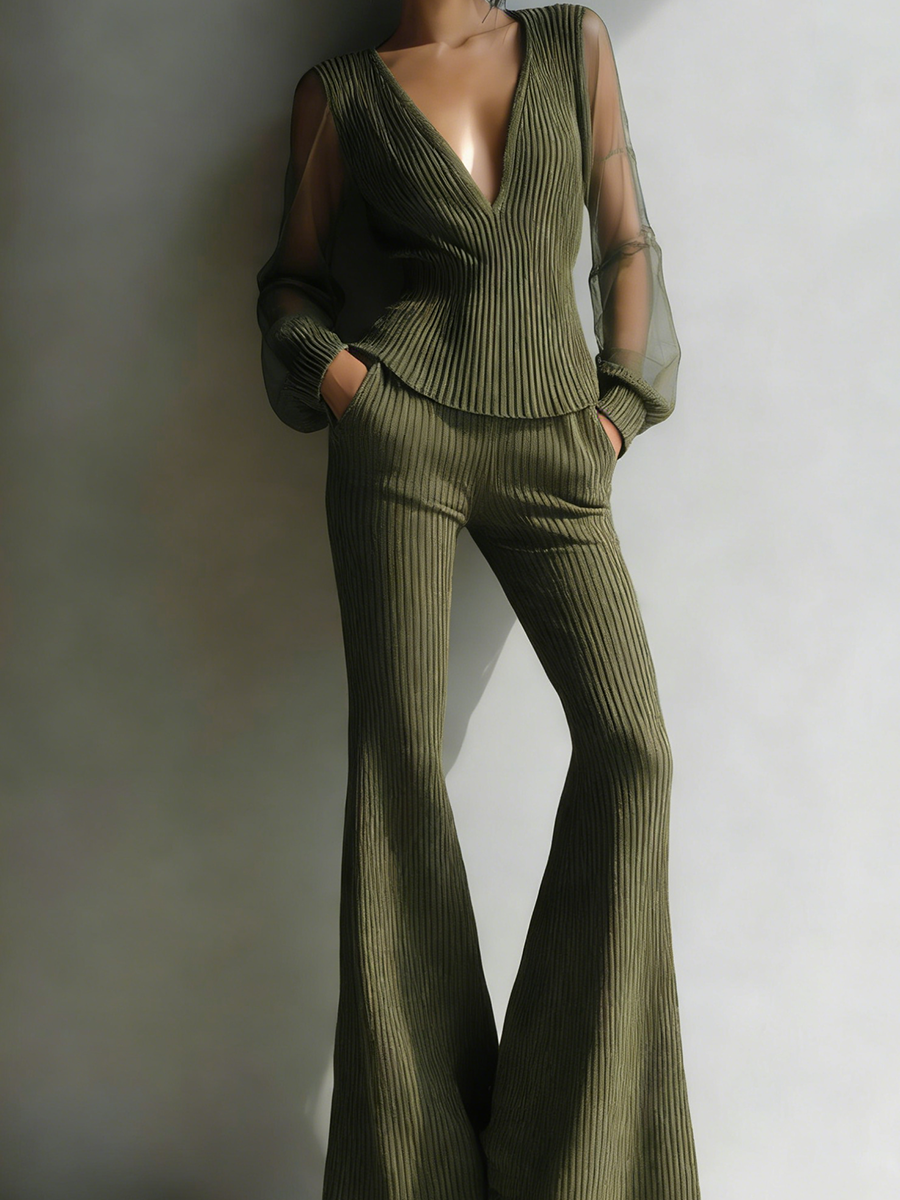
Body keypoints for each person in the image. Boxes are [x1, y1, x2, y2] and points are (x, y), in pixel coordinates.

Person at [255, 2, 701, 1197]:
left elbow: (627, 240)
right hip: (398, 435)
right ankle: (416, 1173)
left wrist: (619, 409)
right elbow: (290, 286)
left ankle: (572, 1155)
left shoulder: (570, 44)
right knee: (397, 770)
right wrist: (345, 382)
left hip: (559, 439)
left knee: (633, 752)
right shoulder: (342, 94)